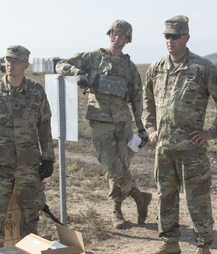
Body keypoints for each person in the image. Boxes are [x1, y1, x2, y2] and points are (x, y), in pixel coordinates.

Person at [144, 16, 217, 254]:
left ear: (186, 37)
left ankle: (203, 245)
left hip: (191, 149)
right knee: (166, 196)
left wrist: (213, 132)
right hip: (163, 148)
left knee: (197, 198)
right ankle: (170, 242)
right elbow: (147, 102)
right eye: (166, 36)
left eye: (175, 36)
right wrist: (150, 128)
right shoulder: (156, 68)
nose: (169, 41)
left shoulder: (201, 67)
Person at [56, 20, 152, 229]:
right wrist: (78, 73)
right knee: (110, 163)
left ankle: (116, 212)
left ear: (128, 40)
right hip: (100, 120)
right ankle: (138, 196)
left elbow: (137, 98)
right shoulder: (93, 58)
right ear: (109, 34)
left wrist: (142, 127)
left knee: (121, 166)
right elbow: (61, 64)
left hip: (123, 122)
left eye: (122, 35)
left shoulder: (129, 66)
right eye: (114, 33)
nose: (117, 37)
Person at [0, 45, 55, 247]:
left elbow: (44, 126)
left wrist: (48, 157)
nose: (10, 65)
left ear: (26, 65)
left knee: (30, 216)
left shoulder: (36, 92)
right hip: (1, 166)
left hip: (29, 165)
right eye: (8, 60)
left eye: (16, 61)